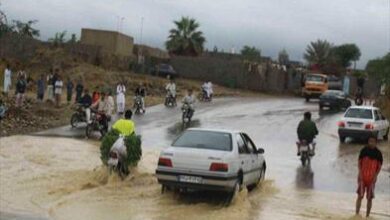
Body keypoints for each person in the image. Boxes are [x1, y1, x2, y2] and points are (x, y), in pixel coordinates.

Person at [355, 135, 383, 218]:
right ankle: (356, 215)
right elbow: (359, 163)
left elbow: (379, 167)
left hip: (371, 180)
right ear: (368, 142)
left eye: (373, 141)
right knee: (359, 196)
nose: (371, 143)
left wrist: (375, 176)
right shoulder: (363, 151)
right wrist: (359, 173)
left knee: (369, 198)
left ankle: (367, 216)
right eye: (370, 141)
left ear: (376, 142)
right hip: (362, 178)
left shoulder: (378, 154)